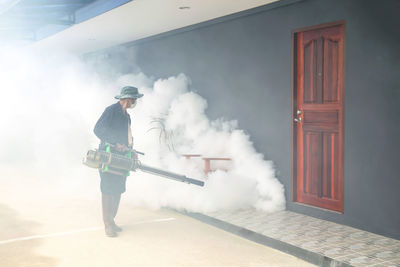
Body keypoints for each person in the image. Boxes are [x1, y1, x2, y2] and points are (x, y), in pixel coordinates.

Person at [94, 86, 143, 237]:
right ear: (127, 98)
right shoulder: (111, 111)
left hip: (122, 158)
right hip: (108, 155)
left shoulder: (127, 116)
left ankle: (112, 219)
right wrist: (115, 143)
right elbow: (98, 129)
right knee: (108, 189)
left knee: (118, 189)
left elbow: (127, 138)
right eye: (134, 99)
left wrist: (131, 150)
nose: (135, 102)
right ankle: (107, 224)